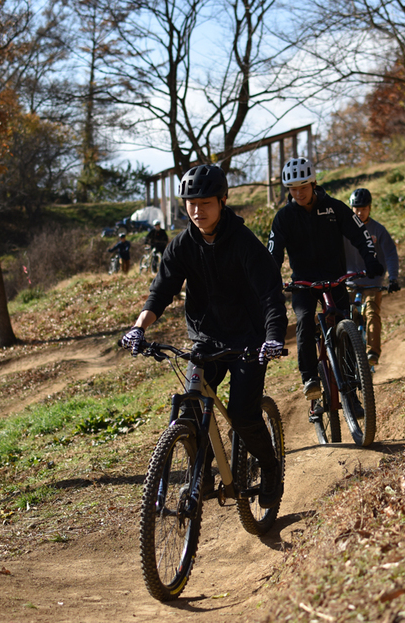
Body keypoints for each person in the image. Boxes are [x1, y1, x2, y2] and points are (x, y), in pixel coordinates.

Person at [120, 164, 286, 508]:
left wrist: (272, 337)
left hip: (248, 340)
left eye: (206, 203)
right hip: (206, 338)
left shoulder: (243, 243)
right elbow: (160, 291)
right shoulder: (181, 245)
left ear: (223, 201)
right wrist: (139, 327)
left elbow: (270, 294)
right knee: (192, 408)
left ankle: (270, 468)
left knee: (242, 414)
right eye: (190, 204)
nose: (197, 211)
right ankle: (203, 475)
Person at [267, 156, 384, 401]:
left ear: (313, 184)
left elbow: (360, 234)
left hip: (336, 279)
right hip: (303, 283)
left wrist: (371, 259)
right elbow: (273, 255)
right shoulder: (284, 218)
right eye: (293, 189)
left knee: (347, 326)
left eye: (303, 187)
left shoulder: (334, 207)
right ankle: (309, 377)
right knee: (304, 321)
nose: (298, 193)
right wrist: (270, 280)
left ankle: (351, 390)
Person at [343, 188, 400, 367]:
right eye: (356, 209)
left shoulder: (378, 230)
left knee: (371, 312)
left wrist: (393, 278)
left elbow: (390, 253)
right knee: (344, 316)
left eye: (364, 208)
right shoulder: (344, 230)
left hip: (373, 282)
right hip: (349, 281)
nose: (360, 212)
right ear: (351, 209)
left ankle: (372, 352)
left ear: (370, 208)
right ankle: (346, 354)